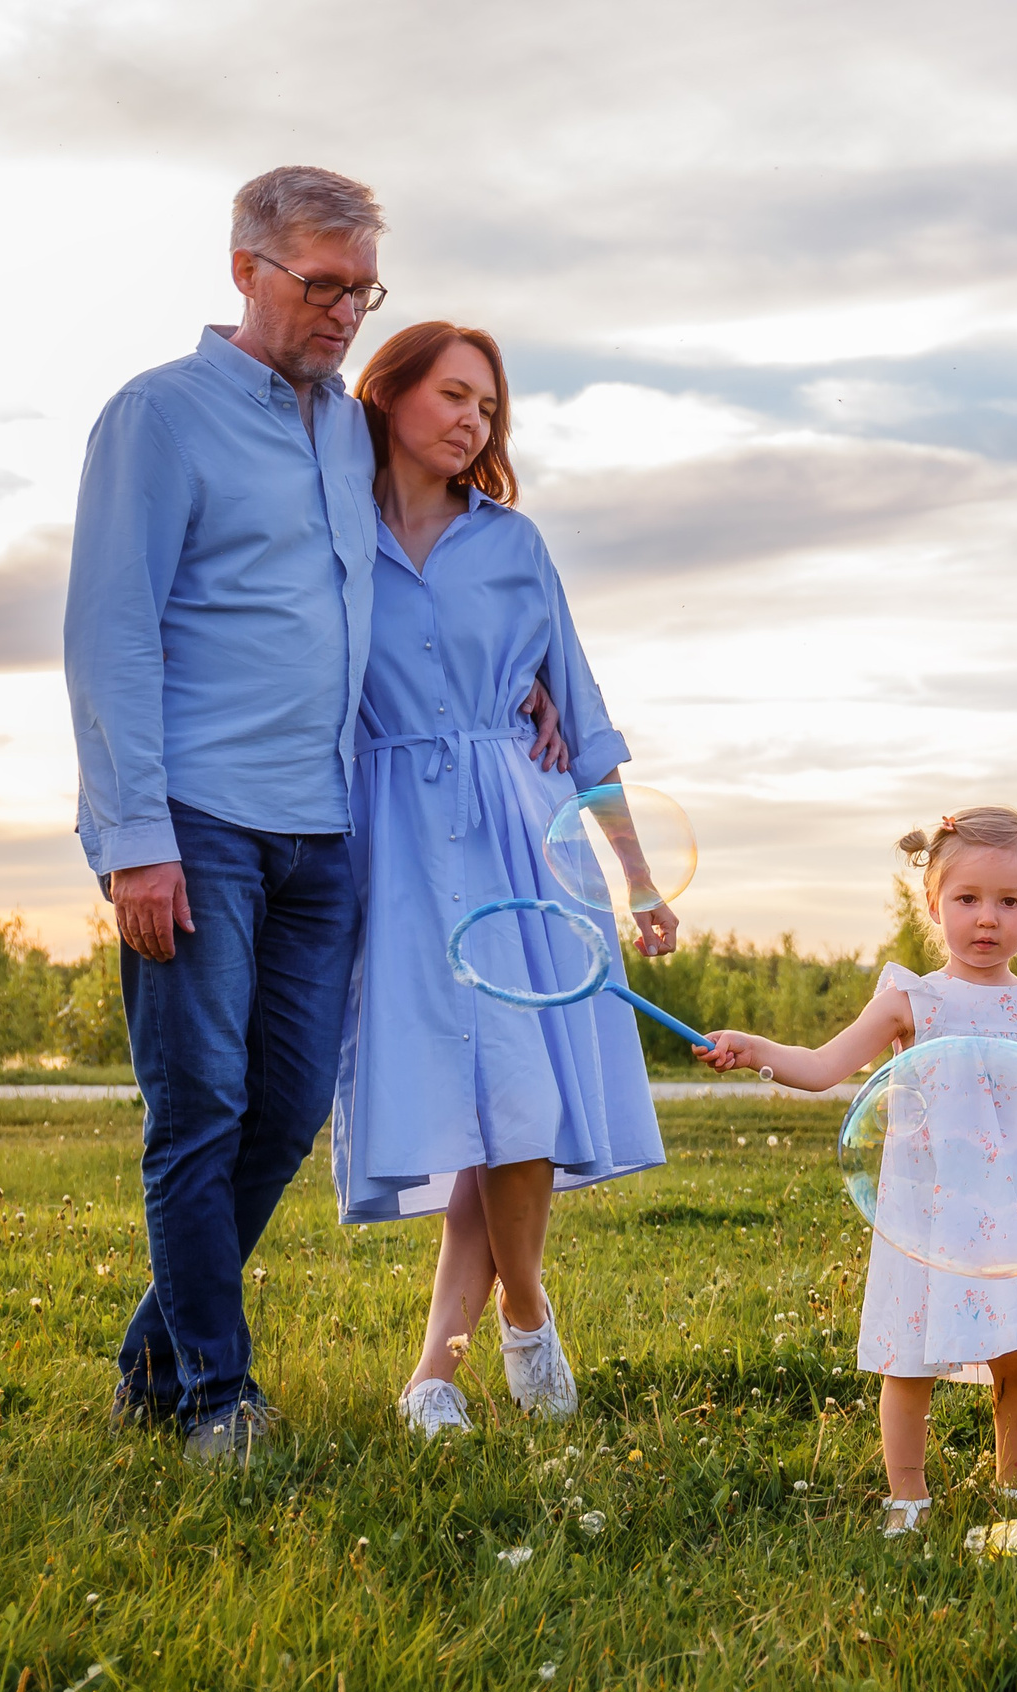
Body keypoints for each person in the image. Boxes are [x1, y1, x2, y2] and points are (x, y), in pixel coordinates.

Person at [63, 167, 566, 1462]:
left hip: (326, 832)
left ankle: (153, 1359)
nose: (344, 310)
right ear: (247, 269)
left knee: (285, 1111)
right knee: (199, 1109)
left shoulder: (350, 432)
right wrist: (135, 840)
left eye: (363, 291)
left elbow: (429, 572)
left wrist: (521, 688)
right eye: (321, 283)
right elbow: (110, 633)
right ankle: (212, 1398)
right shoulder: (159, 418)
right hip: (196, 823)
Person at [333, 321, 672, 1438]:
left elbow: (583, 715)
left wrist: (639, 880)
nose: (473, 421)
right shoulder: (329, 536)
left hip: (522, 842)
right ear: (386, 396)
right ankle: (466, 1356)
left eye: (488, 406)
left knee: (519, 1099)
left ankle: (495, 1338)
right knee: (460, 1106)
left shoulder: (514, 544)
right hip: (393, 846)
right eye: (453, 395)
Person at [694, 808, 1017, 1535]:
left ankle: (1014, 1496)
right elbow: (822, 1066)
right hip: (932, 1214)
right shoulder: (912, 1001)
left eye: (1009, 901)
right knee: (909, 1359)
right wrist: (754, 1047)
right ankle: (907, 1498)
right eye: (967, 898)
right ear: (933, 902)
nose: (987, 918)